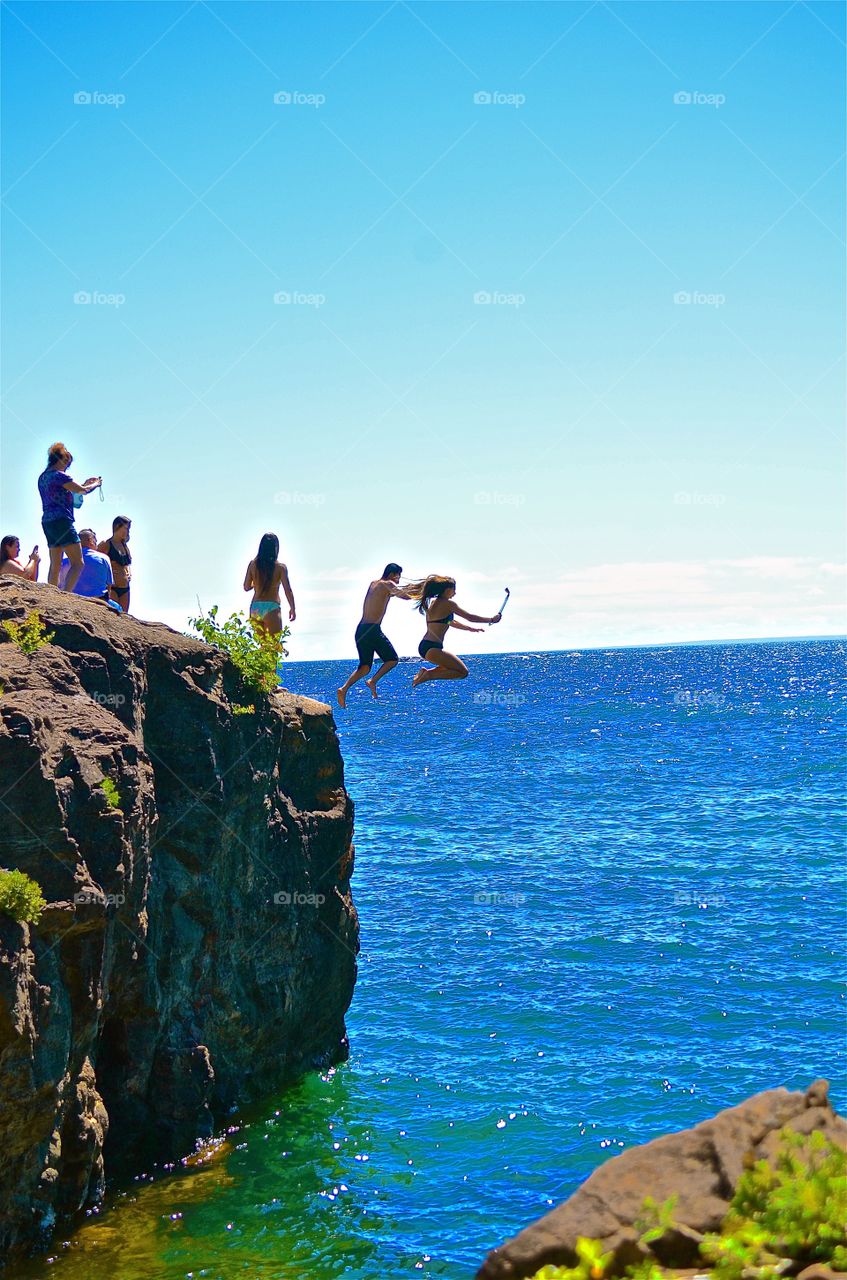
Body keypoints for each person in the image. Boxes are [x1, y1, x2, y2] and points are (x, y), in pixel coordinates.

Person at [336, 563, 413, 708]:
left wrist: (409, 588)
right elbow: (405, 596)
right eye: (398, 576)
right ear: (392, 574)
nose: (398, 579)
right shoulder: (388, 584)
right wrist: (423, 592)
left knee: (364, 667)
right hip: (372, 630)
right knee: (392, 659)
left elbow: (392, 592)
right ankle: (373, 681)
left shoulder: (374, 584)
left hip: (361, 629)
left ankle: (344, 689)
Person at [406, 574, 501, 688]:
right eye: (454, 590)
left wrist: (470, 629)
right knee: (462, 672)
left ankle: (426, 673)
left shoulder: (434, 603)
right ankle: (428, 675)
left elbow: (449, 622)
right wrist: (491, 619)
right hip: (432, 648)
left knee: (451, 668)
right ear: (448, 590)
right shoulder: (448, 604)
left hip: (426, 646)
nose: (455, 593)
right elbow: (470, 617)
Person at [37, 443, 101, 590]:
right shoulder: (60, 476)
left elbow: (67, 491)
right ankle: (66, 595)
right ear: (61, 460)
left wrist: (83, 485)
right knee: (78, 563)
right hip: (62, 521)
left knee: (55, 564)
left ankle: (51, 594)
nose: (66, 467)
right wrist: (95, 484)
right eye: (66, 463)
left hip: (48, 521)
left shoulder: (43, 477)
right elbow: (82, 491)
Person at [243, 533, 295, 636]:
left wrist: (258, 583)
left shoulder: (253, 565)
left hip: (255, 607)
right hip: (272, 607)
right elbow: (287, 590)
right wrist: (292, 608)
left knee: (262, 647)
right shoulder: (280, 568)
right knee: (274, 646)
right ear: (276, 548)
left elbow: (246, 587)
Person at [59, 529, 113, 601]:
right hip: (98, 599)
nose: (96, 545)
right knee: (118, 607)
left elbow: (60, 585)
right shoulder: (104, 558)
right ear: (90, 540)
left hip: (72, 598)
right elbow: (109, 586)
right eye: (95, 541)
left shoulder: (65, 562)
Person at [98, 516, 132, 612]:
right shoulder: (106, 544)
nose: (127, 531)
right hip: (112, 587)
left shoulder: (124, 546)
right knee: (113, 614)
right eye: (125, 528)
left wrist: (128, 572)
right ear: (117, 526)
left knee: (124, 616)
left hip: (125, 587)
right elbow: (97, 562)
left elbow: (127, 563)